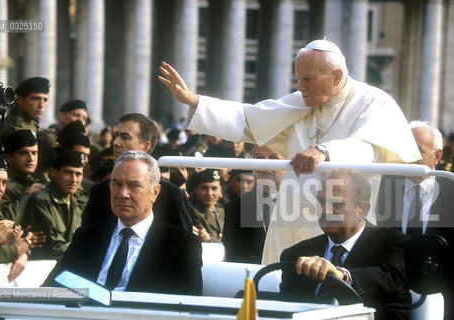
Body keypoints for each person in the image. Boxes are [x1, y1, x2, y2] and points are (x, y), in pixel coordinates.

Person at [159, 39, 421, 263]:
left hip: (343, 219)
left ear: (337, 76)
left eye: (308, 79)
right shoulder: (300, 102)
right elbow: (248, 119)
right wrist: (194, 101)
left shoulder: (373, 101)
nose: (300, 86)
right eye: (298, 78)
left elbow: (368, 148)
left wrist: (323, 151)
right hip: (291, 215)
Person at [44, 151, 203, 295]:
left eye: (134, 186)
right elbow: (50, 289)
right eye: (116, 184)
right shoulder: (86, 237)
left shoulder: (182, 246)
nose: (122, 194)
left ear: (155, 192)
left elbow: (186, 308)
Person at [280, 169, 410, 320]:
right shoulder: (297, 254)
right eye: (321, 202)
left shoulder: (394, 243)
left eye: (336, 203)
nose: (325, 210)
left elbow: (388, 282)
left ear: (363, 209)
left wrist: (341, 276)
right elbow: (285, 310)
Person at [376, 121, 454, 319]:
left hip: (441, 291)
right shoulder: (388, 184)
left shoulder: (450, 188)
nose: (409, 158)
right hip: (396, 292)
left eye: (417, 150)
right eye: (406, 150)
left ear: (437, 156)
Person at [80, 113, 192, 231]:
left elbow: (182, 244)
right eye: (116, 135)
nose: (116, 142)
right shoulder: (99, 192)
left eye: (125, 137)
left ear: (145, 147)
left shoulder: (173, 197)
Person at [223, 145, 284, 263]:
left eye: (273, 159)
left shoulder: (303, 202)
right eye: (260, 158)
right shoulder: (236, 207)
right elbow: (235, 255)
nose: (265, 165)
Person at [24, 151, 87, 260]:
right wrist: (85, 251)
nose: (74, 180)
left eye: (78, 174)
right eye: (68, 173)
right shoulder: (42, 200)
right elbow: (53, 246)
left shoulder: (78, 202)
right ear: (53, 172)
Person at [0, 130, 48, 223]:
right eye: (23, 153)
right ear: (9, 157)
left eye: (34, 153)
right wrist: (27, 194)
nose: (31, 159)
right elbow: (6, 221)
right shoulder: (3, 184)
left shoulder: (42, 178)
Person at [0, 77, 50, 143]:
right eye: (35, 99)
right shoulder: (15, 129)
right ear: (20, 100)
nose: (41, 105)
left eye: (45, 100)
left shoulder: (29, 122)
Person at [189, 169, 224, 243]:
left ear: (220, 189)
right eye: (204, 188)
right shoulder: (191, 210)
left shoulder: (221, 210)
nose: (209, 193)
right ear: (195, 189)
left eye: (214, 188)